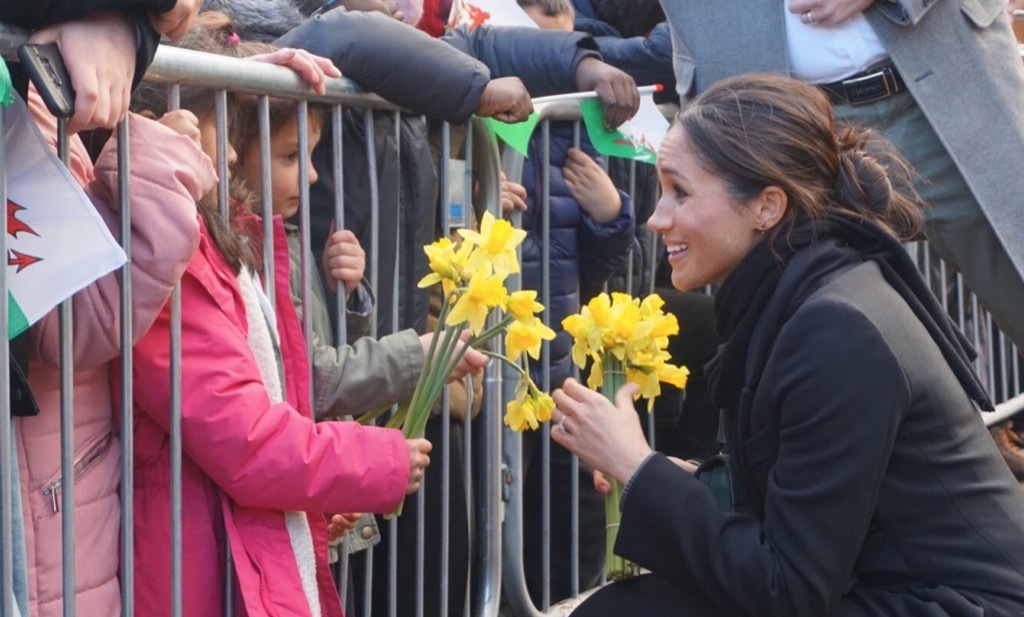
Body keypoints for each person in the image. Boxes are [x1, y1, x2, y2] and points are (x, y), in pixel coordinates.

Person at [548, 73, 1024, 616]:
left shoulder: (837, 329)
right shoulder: (806, 288)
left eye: (680, 191)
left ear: (767, 207)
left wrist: (636, 468)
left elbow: (789, 593)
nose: (657, 218)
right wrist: (677, 481)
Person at [126, 19, 435, 616]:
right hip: (199, 563)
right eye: (289, 154)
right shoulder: (172, 257)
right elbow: (250, 438)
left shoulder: (240, 241)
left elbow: (284, 392)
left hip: (235, 543)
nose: (312, 177)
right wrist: (380, 455)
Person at [1, 3, 202, 615]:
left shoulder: (31, 110)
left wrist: (129, 29)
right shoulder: (25, 117)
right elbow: (77, 319)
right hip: (47, 517)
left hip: (60, 503)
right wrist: (156, 156)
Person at [508, 0, 637, 606]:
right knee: (499, 523)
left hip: (559, 363)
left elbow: (592, 268)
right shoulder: (475, 95)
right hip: (494, 367)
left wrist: (610, 212)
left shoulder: (583, 115)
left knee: (572, 523)